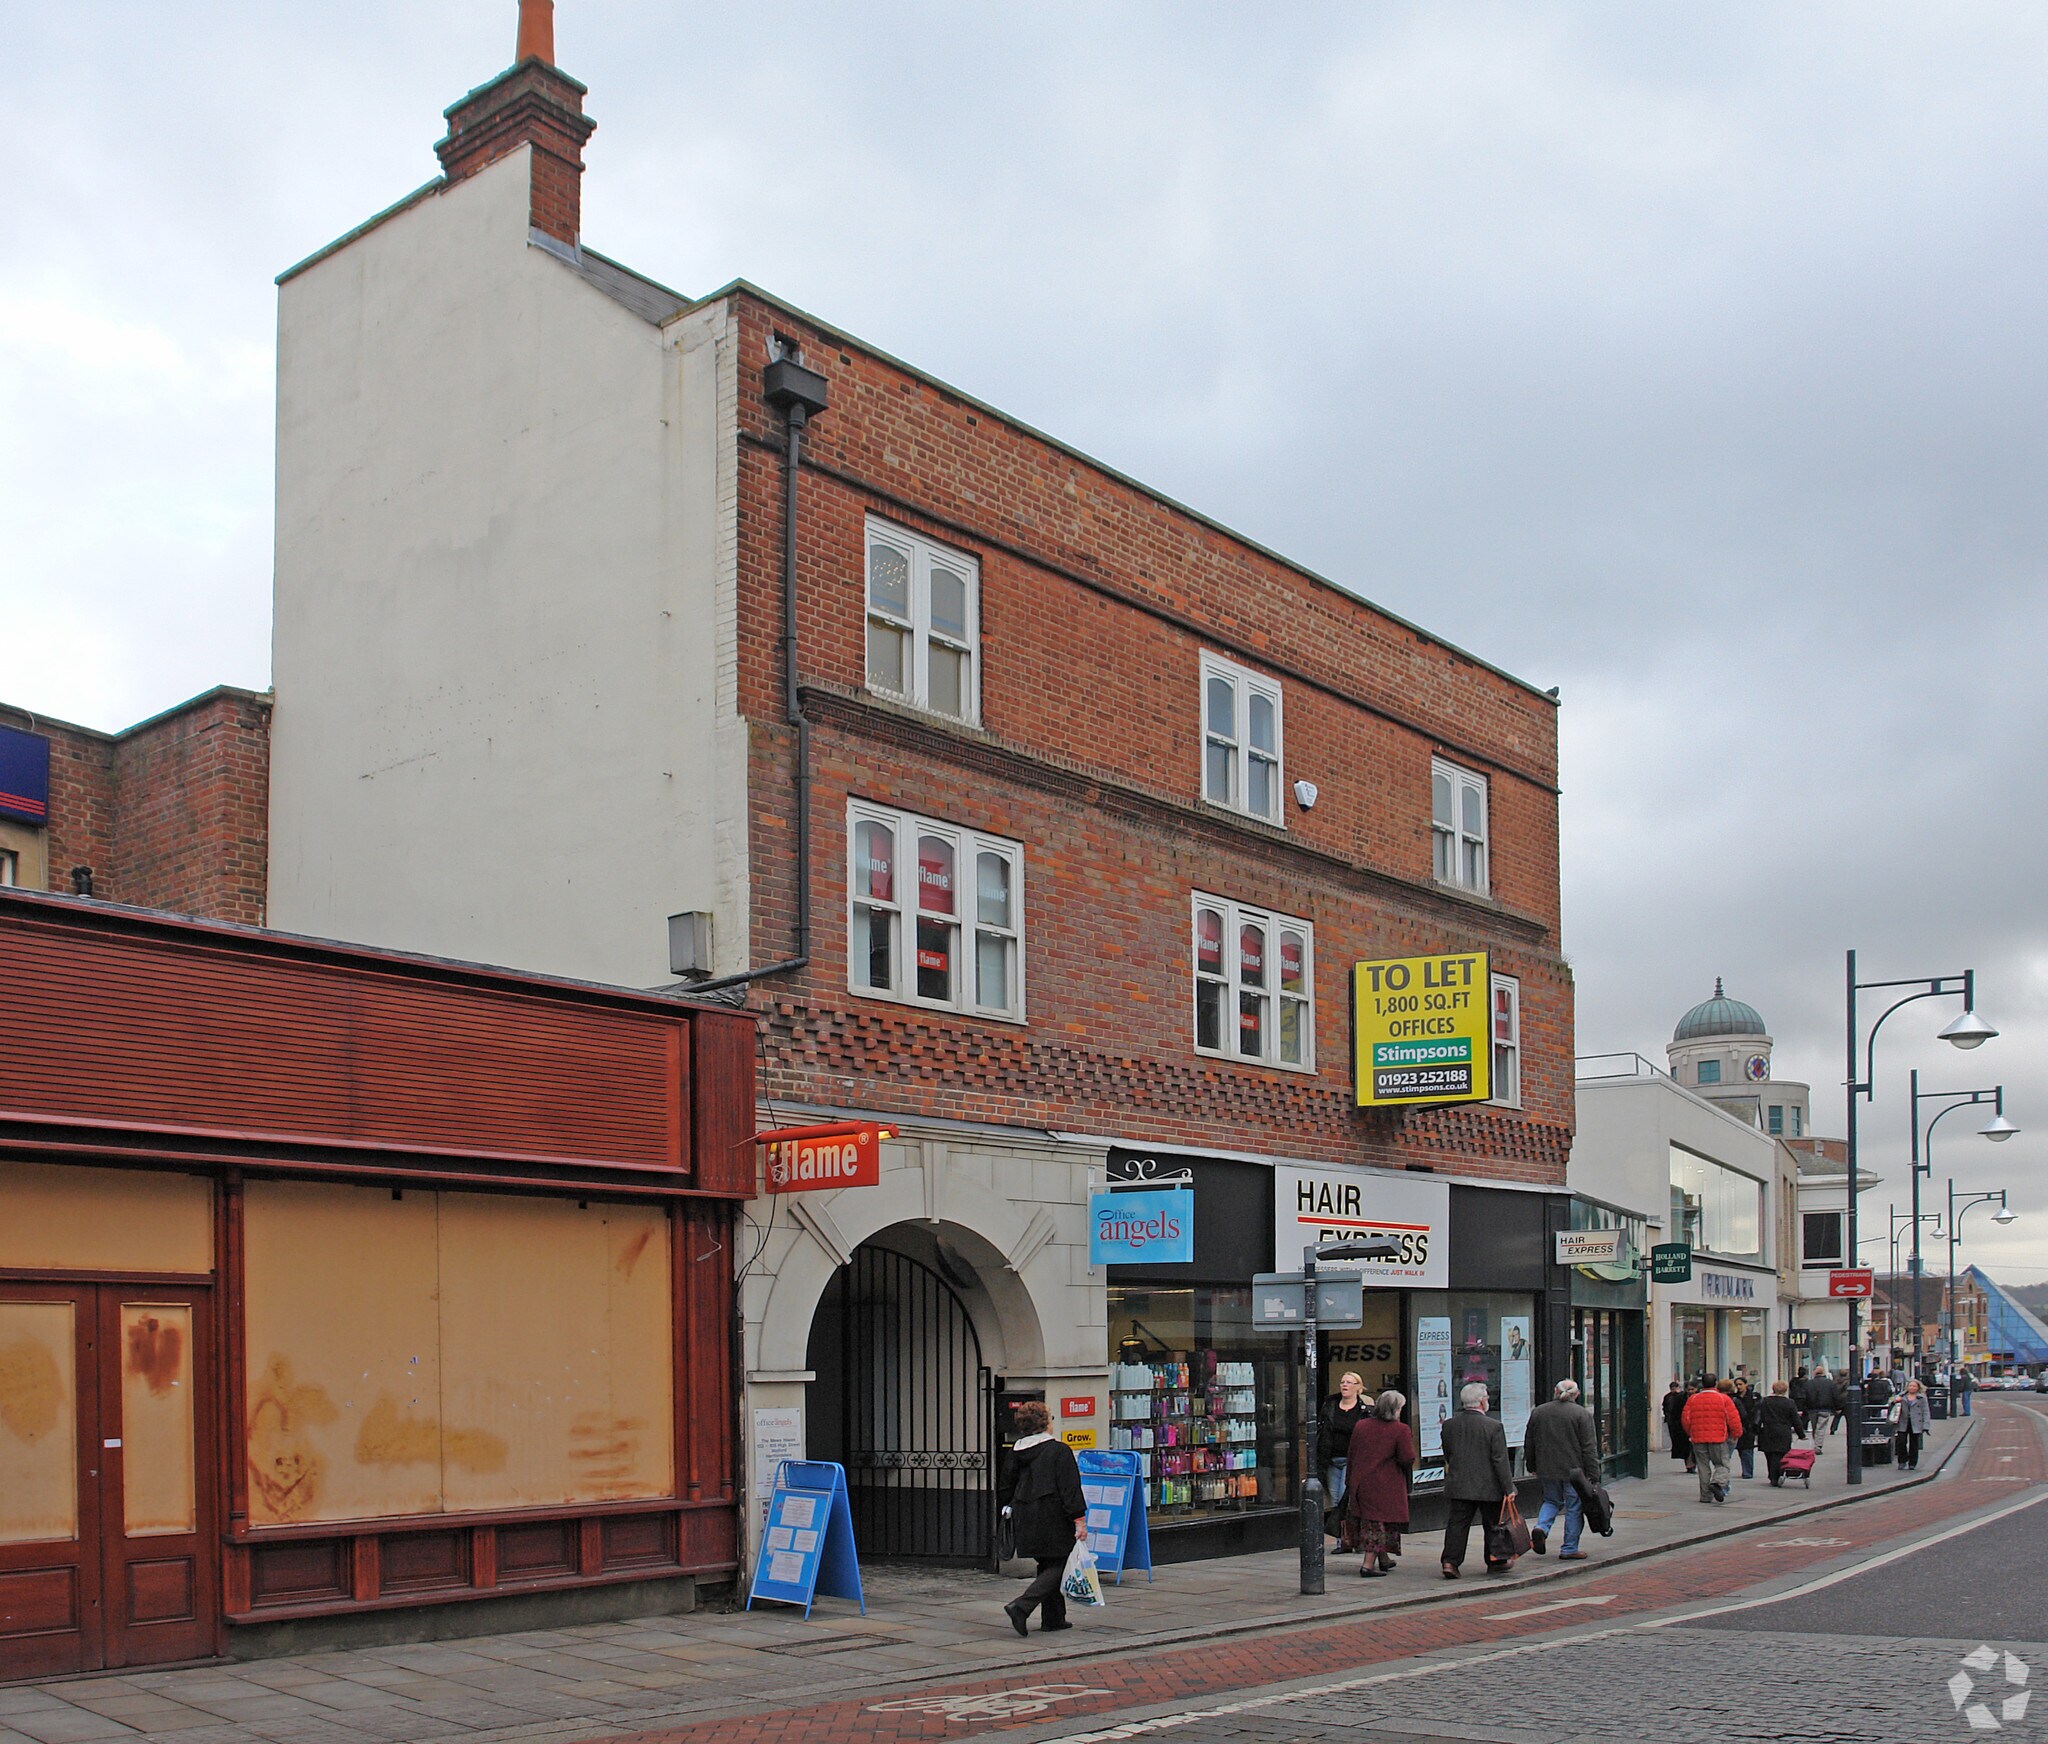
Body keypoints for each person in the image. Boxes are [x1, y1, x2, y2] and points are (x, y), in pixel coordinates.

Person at [997, 1402, 1086, 1636]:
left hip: (1024, 1514)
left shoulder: (1015, 1451)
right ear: (1046, 1422)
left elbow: (1006, 1486)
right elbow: (1070, 1489)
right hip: (1053, 1514)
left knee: (1047, 1564)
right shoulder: (1059, 1451)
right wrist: (1079, 1519)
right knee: (1059, 1563)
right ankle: (1022, 1606)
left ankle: (1054, 1619)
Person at [1439, 1382, 1515, 1578]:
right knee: (1492, 1524)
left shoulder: (1449, 1425)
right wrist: (1509, 1487)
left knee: (1457, 1524)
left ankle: (1450, 1562)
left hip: (1459, 1483)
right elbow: (1500, 1460)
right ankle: (1495, 1560)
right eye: (1487, 1398)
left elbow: (1448, 1453)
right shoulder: (1494, 1427)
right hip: (1488, 1485)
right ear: (1482, 1402)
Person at [1524, 1378, 1600, 1561]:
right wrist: (1594, 1475)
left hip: (1547, 1468)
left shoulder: (1539, 1412)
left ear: (1555, 1392)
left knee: (1551, 1500)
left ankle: (1541, 1528)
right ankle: (1569, 1548)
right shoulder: (1582, 1414)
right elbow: (1589, 1448)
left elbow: (1529, 1442)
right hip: (1574, 1471)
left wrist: (1532, 1465)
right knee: (1574, 1507)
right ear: (1577, 1394)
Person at [1341, 1389, 1415, 1577]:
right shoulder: (1401, 1430)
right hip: (1385, 1484)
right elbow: (1407, 1458)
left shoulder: (1361, 1426)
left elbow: (1351, 1454)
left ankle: (1384, 1559)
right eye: (1400, 1408)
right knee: (1377, 1523)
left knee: (1374, 1520)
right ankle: (1367, 1565)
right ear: (1394, 1409)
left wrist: (1350, 1480)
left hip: (1362, 1482)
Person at [1681, 1374, 1744, 1504]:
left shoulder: (1693, 1399)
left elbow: (1686, 1419)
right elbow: (1733, 1419)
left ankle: (1705, 1496)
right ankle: (1717, 1482)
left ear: (1701, 1385)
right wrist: (1736, 1433)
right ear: (1715, 1383)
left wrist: (1691, 1433)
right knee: (1722, 1464)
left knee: (1703, 1467)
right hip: (1718, 1437)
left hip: (1698, 1438)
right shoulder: (1723, 1399)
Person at [1318, 1372, 1371, 1516]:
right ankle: (1341, 1536)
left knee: (1344, 1497)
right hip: (1332, 1460)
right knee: (1335, 1501)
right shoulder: (1330, 1405)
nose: (1344, 1385)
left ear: (1358, 1387)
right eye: (1342, 1382)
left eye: (1349, 1382)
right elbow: (1323, 1430)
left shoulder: (1364, 1409)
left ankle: (1346, 1537)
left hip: (1352, 1460)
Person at [1757, 1378, 1802, 1486]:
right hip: (1783, 1432)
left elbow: (1759, 1416)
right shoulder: (1789, 1403)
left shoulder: (1765, 1401)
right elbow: (1796, 1420)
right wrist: (1801, 1434)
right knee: (1779, 1454)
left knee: (1769, 1453)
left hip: (1767, 1430)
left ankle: (1772, 1475)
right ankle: (1776, 1475)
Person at [1895, 1378, 1932, 1470]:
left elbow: (1926, 1411)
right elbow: (1891, 1403)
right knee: (1901, 1442)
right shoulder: (1901, 1396)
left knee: (1914, 1444)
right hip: (1903, 1422)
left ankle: (1912, 1463)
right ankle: (1902, 1461)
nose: (1912, 1388)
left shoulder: (1922, 1398)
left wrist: (1926, 1426)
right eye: (1910, 1386)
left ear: (1918, 1387)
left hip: (1916, 1423)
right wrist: (1895, 1400)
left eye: (1914, 1386)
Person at [1662, 1379, 1693, 1473]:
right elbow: (1667, 1408)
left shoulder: (1680, 1397)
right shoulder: (1671, 1397)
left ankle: (1691, 1463)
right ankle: (1690, 1464)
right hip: (1678, 1424)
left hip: (1686, 1424)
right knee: (1685, 1445)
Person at [1733, 1377, 1761, 1480]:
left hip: (1750, 1426)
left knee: (1747, 1449)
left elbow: (1757, 1411)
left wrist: (1755, 1424)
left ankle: (1747, 1471)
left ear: (1745, 1384)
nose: (1738, 1387)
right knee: (1741, 1449)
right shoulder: (1735, 1398)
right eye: (1737, 1385)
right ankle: (1746, 1470)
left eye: (1740, 1384)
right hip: (1739, 1426)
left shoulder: (1754, 1396)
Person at [1804, 1367, 1838, 1453]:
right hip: (1825, 1408)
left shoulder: (1809, 1383)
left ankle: (1817, 1444)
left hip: (1812, 1408)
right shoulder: (1830, 1383)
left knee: (1815, 1427)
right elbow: (1835, 1396)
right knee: (1821, 1428)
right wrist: (1837, 1407)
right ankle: (1818, 1445)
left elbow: (1805, 1396)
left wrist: (1805, 1407)